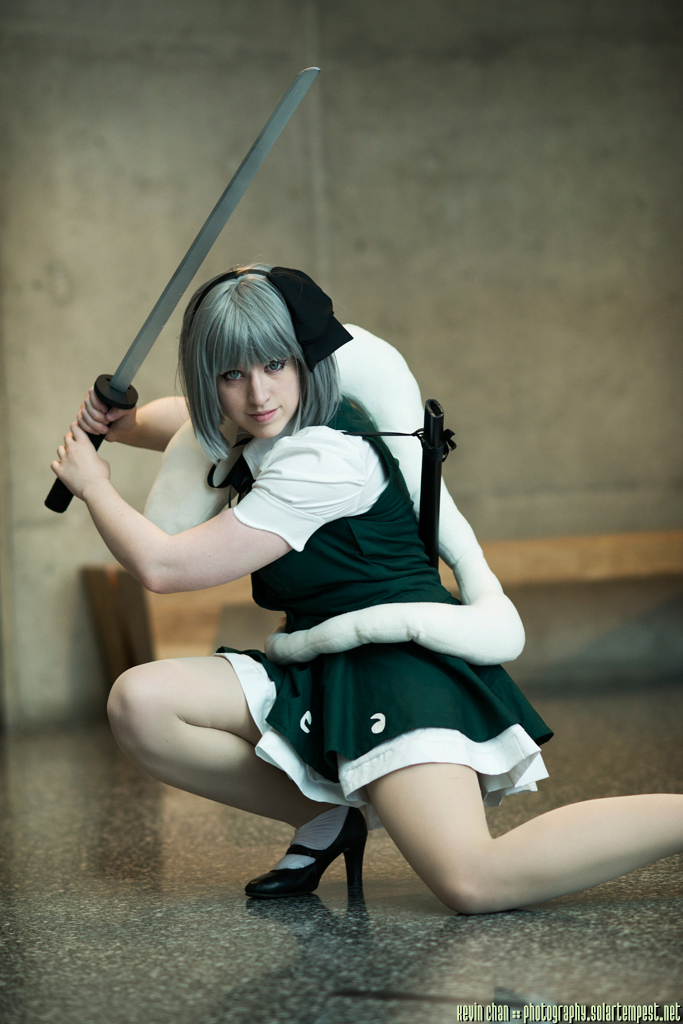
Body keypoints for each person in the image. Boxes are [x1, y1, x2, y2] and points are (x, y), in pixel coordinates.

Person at [51, 265, 683, 914]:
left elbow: (164, 569)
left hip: (395, 668)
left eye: (275, 364)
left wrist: (93, 485)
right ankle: (328, 816)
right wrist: (129, 425)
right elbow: (189, 421)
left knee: (474, 879)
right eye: (232, 374)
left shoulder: (324, 460)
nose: (259, 394)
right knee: (141, 703)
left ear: (305, 357)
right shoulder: (275, 420)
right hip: (319, 660)